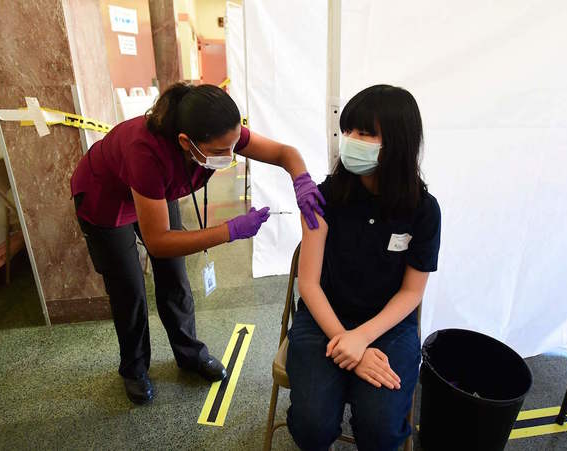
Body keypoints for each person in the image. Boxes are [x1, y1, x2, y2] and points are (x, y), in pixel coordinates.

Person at [70, 83, 325, 405]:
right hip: (106, 198)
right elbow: (159, 242)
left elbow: (284, 153)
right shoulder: (144, 152)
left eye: (233, 146)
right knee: (129, 290)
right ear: (185, 142)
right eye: (220, 151)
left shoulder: (218, 132)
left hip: (157, 193)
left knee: (175, 278)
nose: (229, 156)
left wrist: (301, 179)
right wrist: (229, 230)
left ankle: (189, 353)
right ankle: (134, 369)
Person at [285, 85, 441, 450]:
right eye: (349, 130)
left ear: (398, 142)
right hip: (324, 316)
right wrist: (349, 345)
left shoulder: (423, 210)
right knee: (312, 425)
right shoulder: (324, 196)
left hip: (387, 323)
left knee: (381, 428)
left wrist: (362, 338)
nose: (351, 140)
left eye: (366, 133)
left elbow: (411, 292)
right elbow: (308, 284)